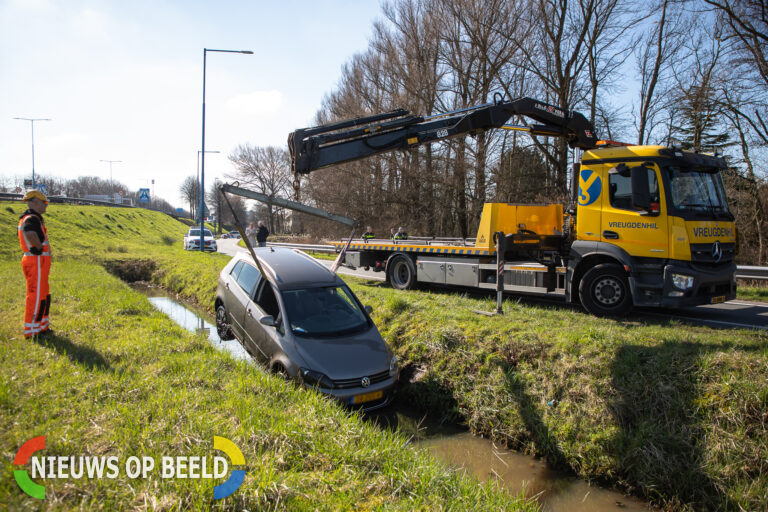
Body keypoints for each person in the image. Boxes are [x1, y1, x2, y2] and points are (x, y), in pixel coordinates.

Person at [18, 190, 53, 338]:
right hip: (35, 261)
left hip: (40, 263)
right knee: (36, 295)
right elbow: (30, 234)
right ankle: (32, 332)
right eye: (43, 203)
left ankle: (42, 326)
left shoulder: (34, 218)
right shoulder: (31, 219)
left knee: (43, 294)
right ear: (34, 202)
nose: (46, 206)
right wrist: (37, 248)